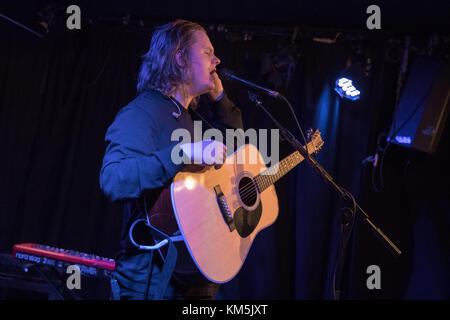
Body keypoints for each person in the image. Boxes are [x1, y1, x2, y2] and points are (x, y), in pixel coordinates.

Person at [99, 19, 243, 300]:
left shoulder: (189, 117)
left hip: (192, 277)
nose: (217, 60)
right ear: (180, 58)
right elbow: (114, 179)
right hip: (151, 284)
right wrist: (185, 152)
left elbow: (233, 147)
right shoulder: (144, 111)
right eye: (206, 52)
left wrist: (221, 99)